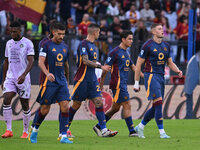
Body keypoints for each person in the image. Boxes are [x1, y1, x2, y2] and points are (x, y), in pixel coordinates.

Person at [68, 23, 118, 137]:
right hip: (81, 80)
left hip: (92, 80)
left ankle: (103, 130)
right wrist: (101, 67)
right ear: (95, 32)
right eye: (99, 32)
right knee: (76, 105)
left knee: (99, 101)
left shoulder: (94, 46)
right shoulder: (83, 44)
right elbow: (85, 61)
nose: (99, 34)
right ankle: (65, 129)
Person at [133, 23, 182, 138]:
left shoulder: (166, 45)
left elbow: (170, 63)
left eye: (162, 28)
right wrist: (136, 83)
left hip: (161, 76)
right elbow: (139, 63)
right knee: (159, 102)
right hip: (150, 76)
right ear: (153, 32)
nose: (162, 30)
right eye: (159, 29)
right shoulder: (147, 45)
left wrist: (178, 70)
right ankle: (162, 132)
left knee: (156, 106)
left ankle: (140, 127)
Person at [93, 30, 144, 137]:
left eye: (132, 39)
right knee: (127, 104)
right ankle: (132, 131)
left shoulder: (126, 53)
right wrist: (101, 83)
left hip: (123, 84)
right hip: (118, 84)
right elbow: (106, 68)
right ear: (123, 39)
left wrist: (146, 77)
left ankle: (99, 126)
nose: (131, 41)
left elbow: (133, 67)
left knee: (115, 108)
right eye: (129, 39)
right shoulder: (114, 52)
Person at [29, 22, 72, 144]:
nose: (61, 36)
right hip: (49, 82)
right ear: (53, 32)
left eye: (63, 34)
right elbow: (40, 62)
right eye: (59, 34)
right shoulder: (46, 45)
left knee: (65, 106)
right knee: (44, 109)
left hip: (61, 82)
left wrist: (67, 80)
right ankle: (35, 130)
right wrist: (47, 74)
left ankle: (63, 135)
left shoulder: (65, 46)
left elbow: (66, 64)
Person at [1, 21, 35, 138]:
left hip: (23, 79)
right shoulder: (8, 43)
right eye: (11, 31)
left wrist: (24, 74)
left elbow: (31, 61)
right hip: (10, 78)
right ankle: (8, 130)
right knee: (6, 99)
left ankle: (25, 131)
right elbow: (6, 61)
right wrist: (3, 79)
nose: (12, 33)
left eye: (14, 31)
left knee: (25, 105)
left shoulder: (28, 43)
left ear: (20, 31)